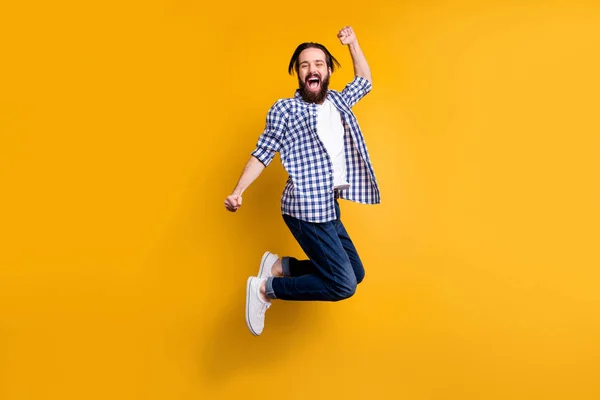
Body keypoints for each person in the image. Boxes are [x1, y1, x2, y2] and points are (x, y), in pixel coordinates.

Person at [224, 26, 380, 336]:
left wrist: (353, 44)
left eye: (319, 64)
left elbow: (365, 80)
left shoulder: (338, 102)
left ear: (327, 71)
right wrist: (238, 191)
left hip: (329, 206)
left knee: (356, 273)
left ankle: (280, 265)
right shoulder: (286, 109)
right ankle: (266, 288)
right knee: (342, 284)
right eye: (305, 64)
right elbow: (263, 153)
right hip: (305, 208)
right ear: (298, 73)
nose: (312, 69)